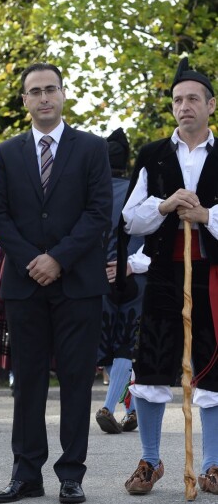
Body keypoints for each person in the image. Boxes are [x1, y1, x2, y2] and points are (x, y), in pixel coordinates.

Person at [0, 63, 112, 504]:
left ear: (63, 95)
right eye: (35, 92)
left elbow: (99, 213)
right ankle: (26, 474)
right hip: (25, 285)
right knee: (29, 384)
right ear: (24, 101)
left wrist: (57, 259)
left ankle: (71, 474)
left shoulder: (92, 149)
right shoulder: (8, 152)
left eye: (50, 90)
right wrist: (32, 261)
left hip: (77, 284)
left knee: (76, 381)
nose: (44, 98)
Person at [119, 58, 218, 495]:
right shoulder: (153, 155)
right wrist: (163, 206)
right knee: (154, 366)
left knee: (214, 371)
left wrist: (206, 215)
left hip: (212, 276)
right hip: (163, 276)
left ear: (211, 105)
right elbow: (129, 220)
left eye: (193, 98)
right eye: (178, 100)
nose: (184, 106)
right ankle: (151, 460)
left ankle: (213, 465)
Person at [95, 129, 150, 434]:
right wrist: (131, 264)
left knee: (108, 344)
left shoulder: (91, 194)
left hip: (99, 276)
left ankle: (123, 407)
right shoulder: (140, 190)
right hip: (134, 275)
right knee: (127, 345)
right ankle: (115, 405)